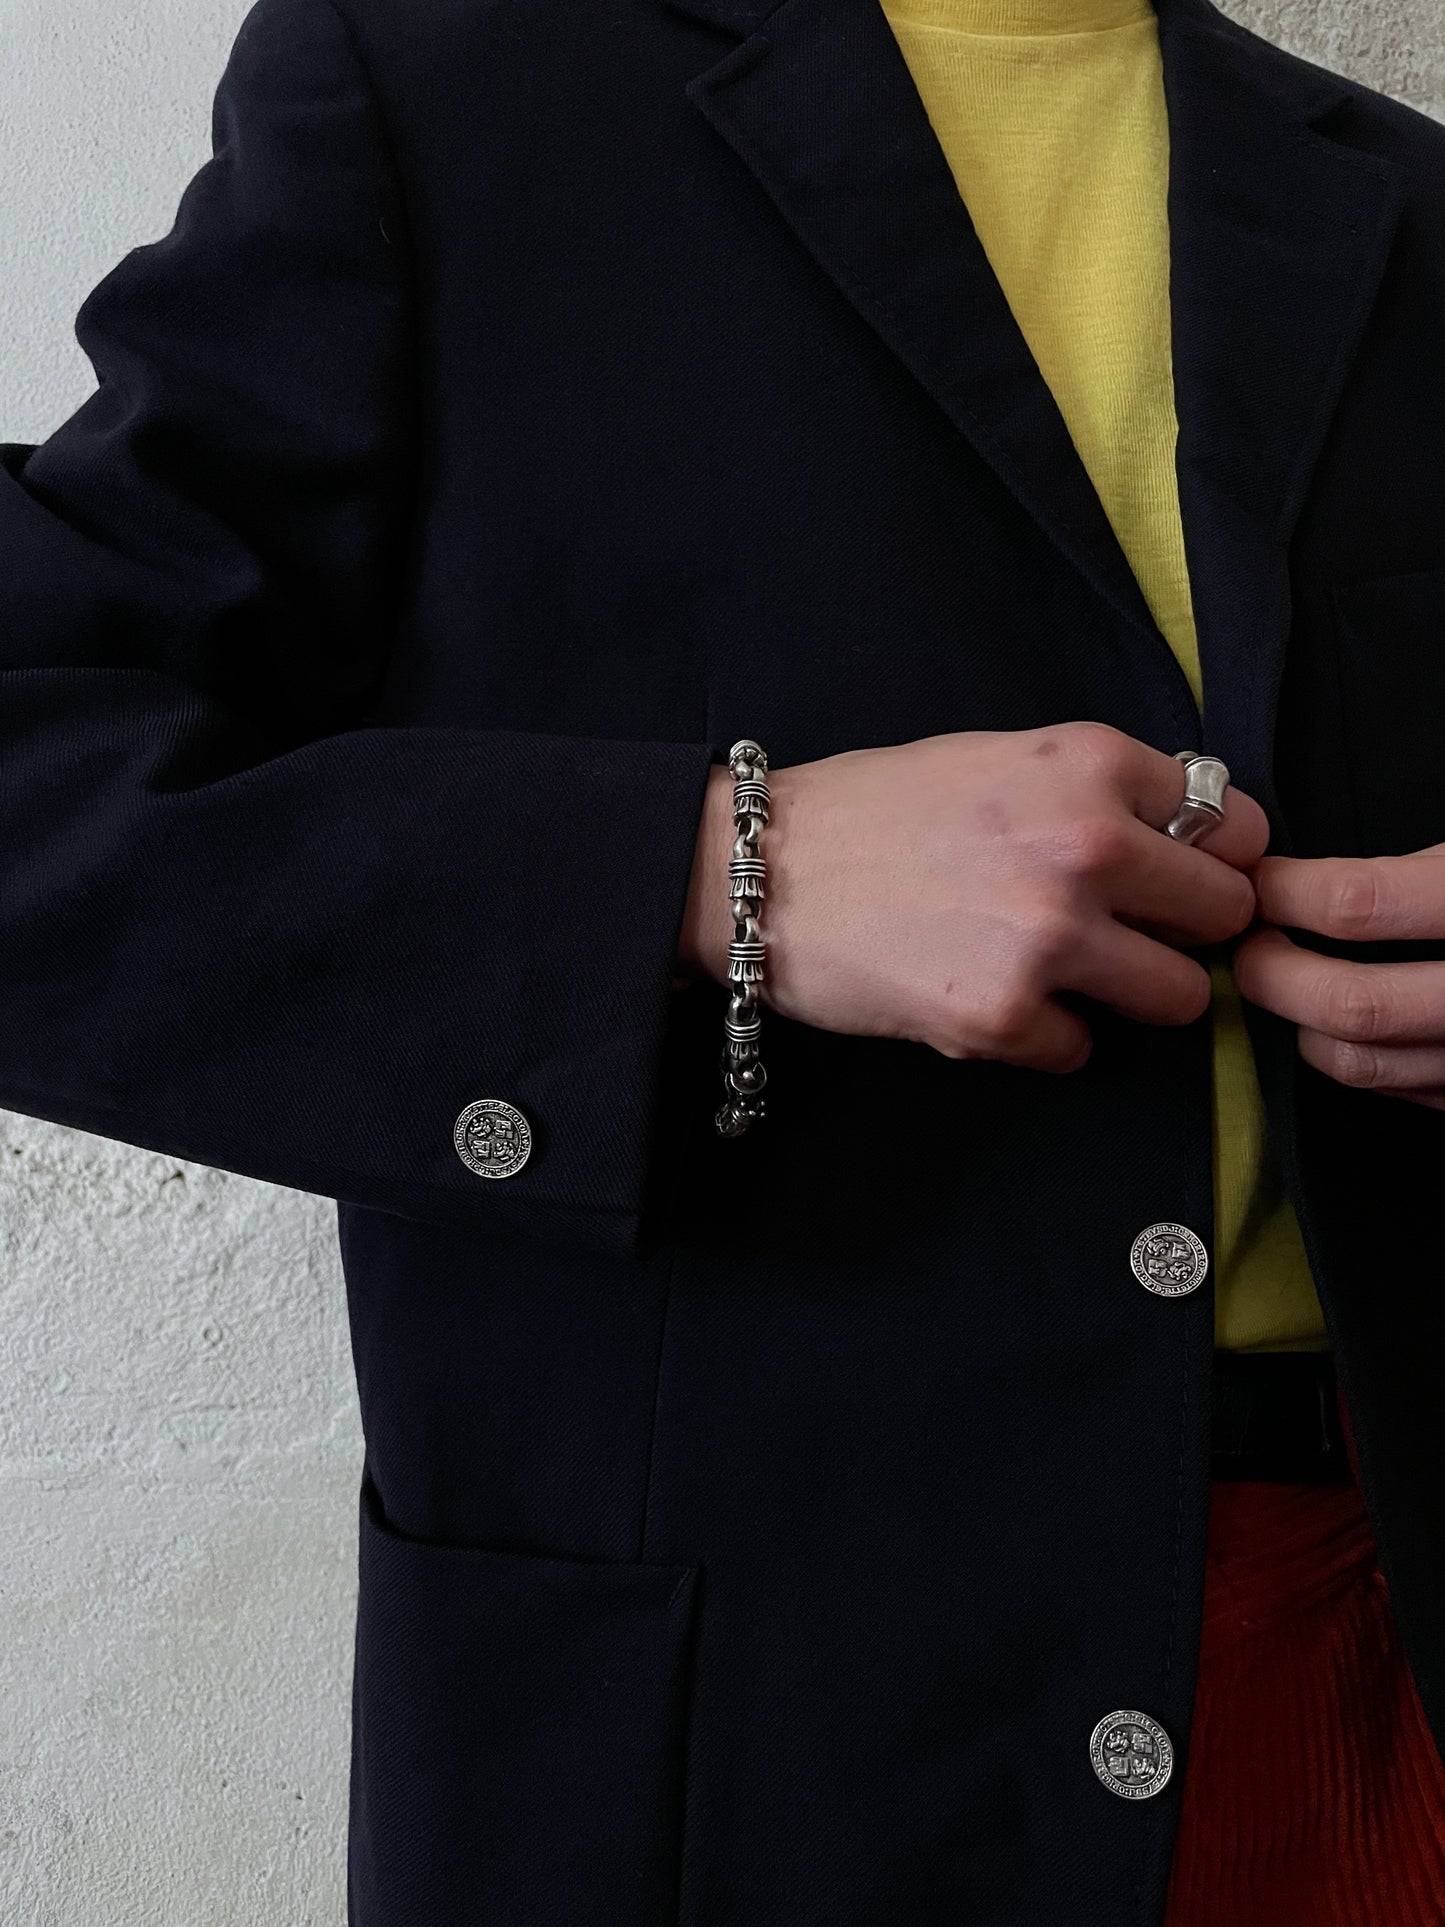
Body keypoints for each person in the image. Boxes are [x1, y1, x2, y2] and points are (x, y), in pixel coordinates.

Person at [4, 0, 1445, 1917]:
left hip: (1373, 1681)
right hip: (751, 1725)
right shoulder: (437, 80)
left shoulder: (1398, 194)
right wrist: (720, 869)